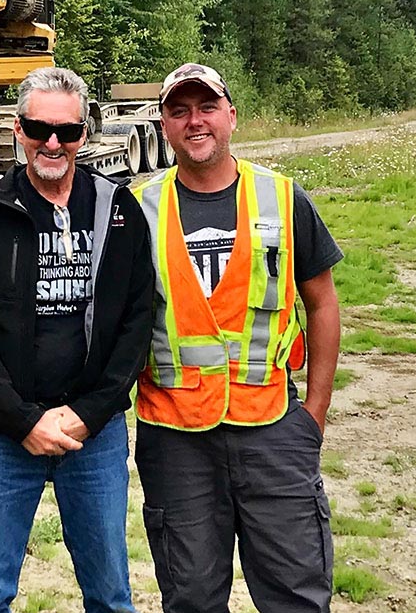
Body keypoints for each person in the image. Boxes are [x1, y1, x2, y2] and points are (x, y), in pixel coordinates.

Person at [0, 66, 154, 613]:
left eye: (68, 130)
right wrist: (23, 420)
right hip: (1, 435)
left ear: (86, 134)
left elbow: (136, 324)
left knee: (109, 594)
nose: (53, 142)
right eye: (39, 129)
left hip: (95, 433)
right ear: (18, 130)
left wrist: (91, 412)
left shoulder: (120, 212)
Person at [133, 63, 343, 613]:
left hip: (274, 429)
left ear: (230, 116)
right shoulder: (139, 211)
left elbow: (321, 302)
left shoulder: (283, 197)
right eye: (179, 111)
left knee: (295, 595)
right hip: (174, 436)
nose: (194, 121)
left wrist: (314, 413)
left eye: (206, 108)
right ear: (163, 124)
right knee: (192, 599)